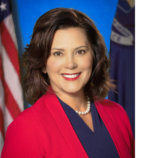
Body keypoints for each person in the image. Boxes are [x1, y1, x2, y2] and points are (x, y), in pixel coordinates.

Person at [1, 8, 134, 158]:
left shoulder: (118, 114)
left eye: (80, 51)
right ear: (43, 63)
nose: (70, 64)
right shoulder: (24, 129)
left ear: (94, 56)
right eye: (58, 53)